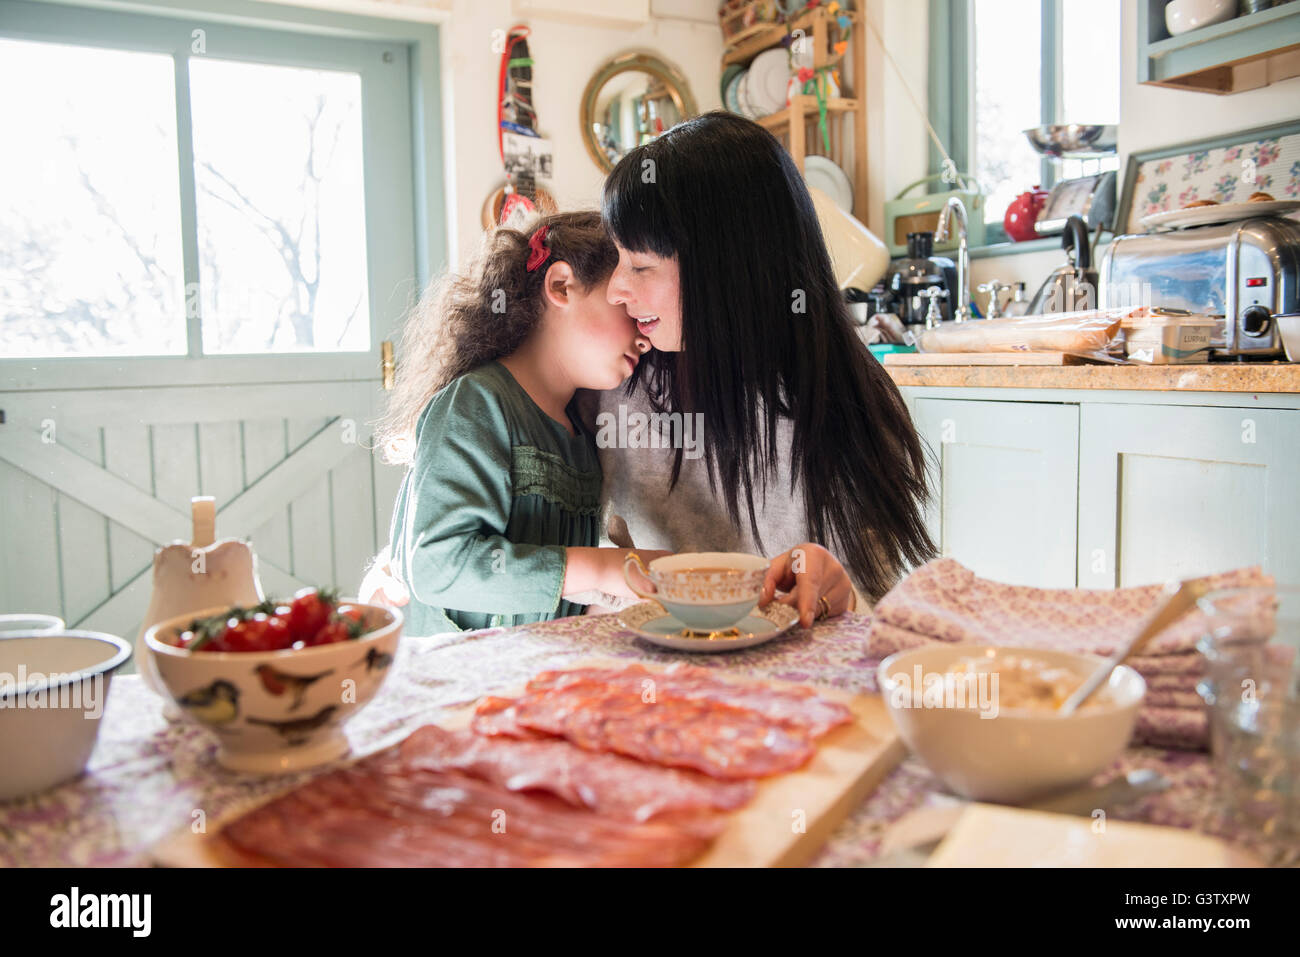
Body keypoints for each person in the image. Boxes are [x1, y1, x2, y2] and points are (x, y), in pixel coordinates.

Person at [591, 110, 936, 613]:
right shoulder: (620, 381)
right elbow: (592, 579)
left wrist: (838, 595)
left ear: (729, 272)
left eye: (641, 265)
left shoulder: (850, 404)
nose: (616, 289)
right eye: (618, 259)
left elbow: (868, 613)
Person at [370, 211, 666, 637]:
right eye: (625, 305)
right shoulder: (477, 403)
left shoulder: (580, 436)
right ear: (561, 285)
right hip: (452, 682)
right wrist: (605, 569)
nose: (644, 336)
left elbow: (551, 586)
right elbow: (436, 567)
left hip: (527, 678)